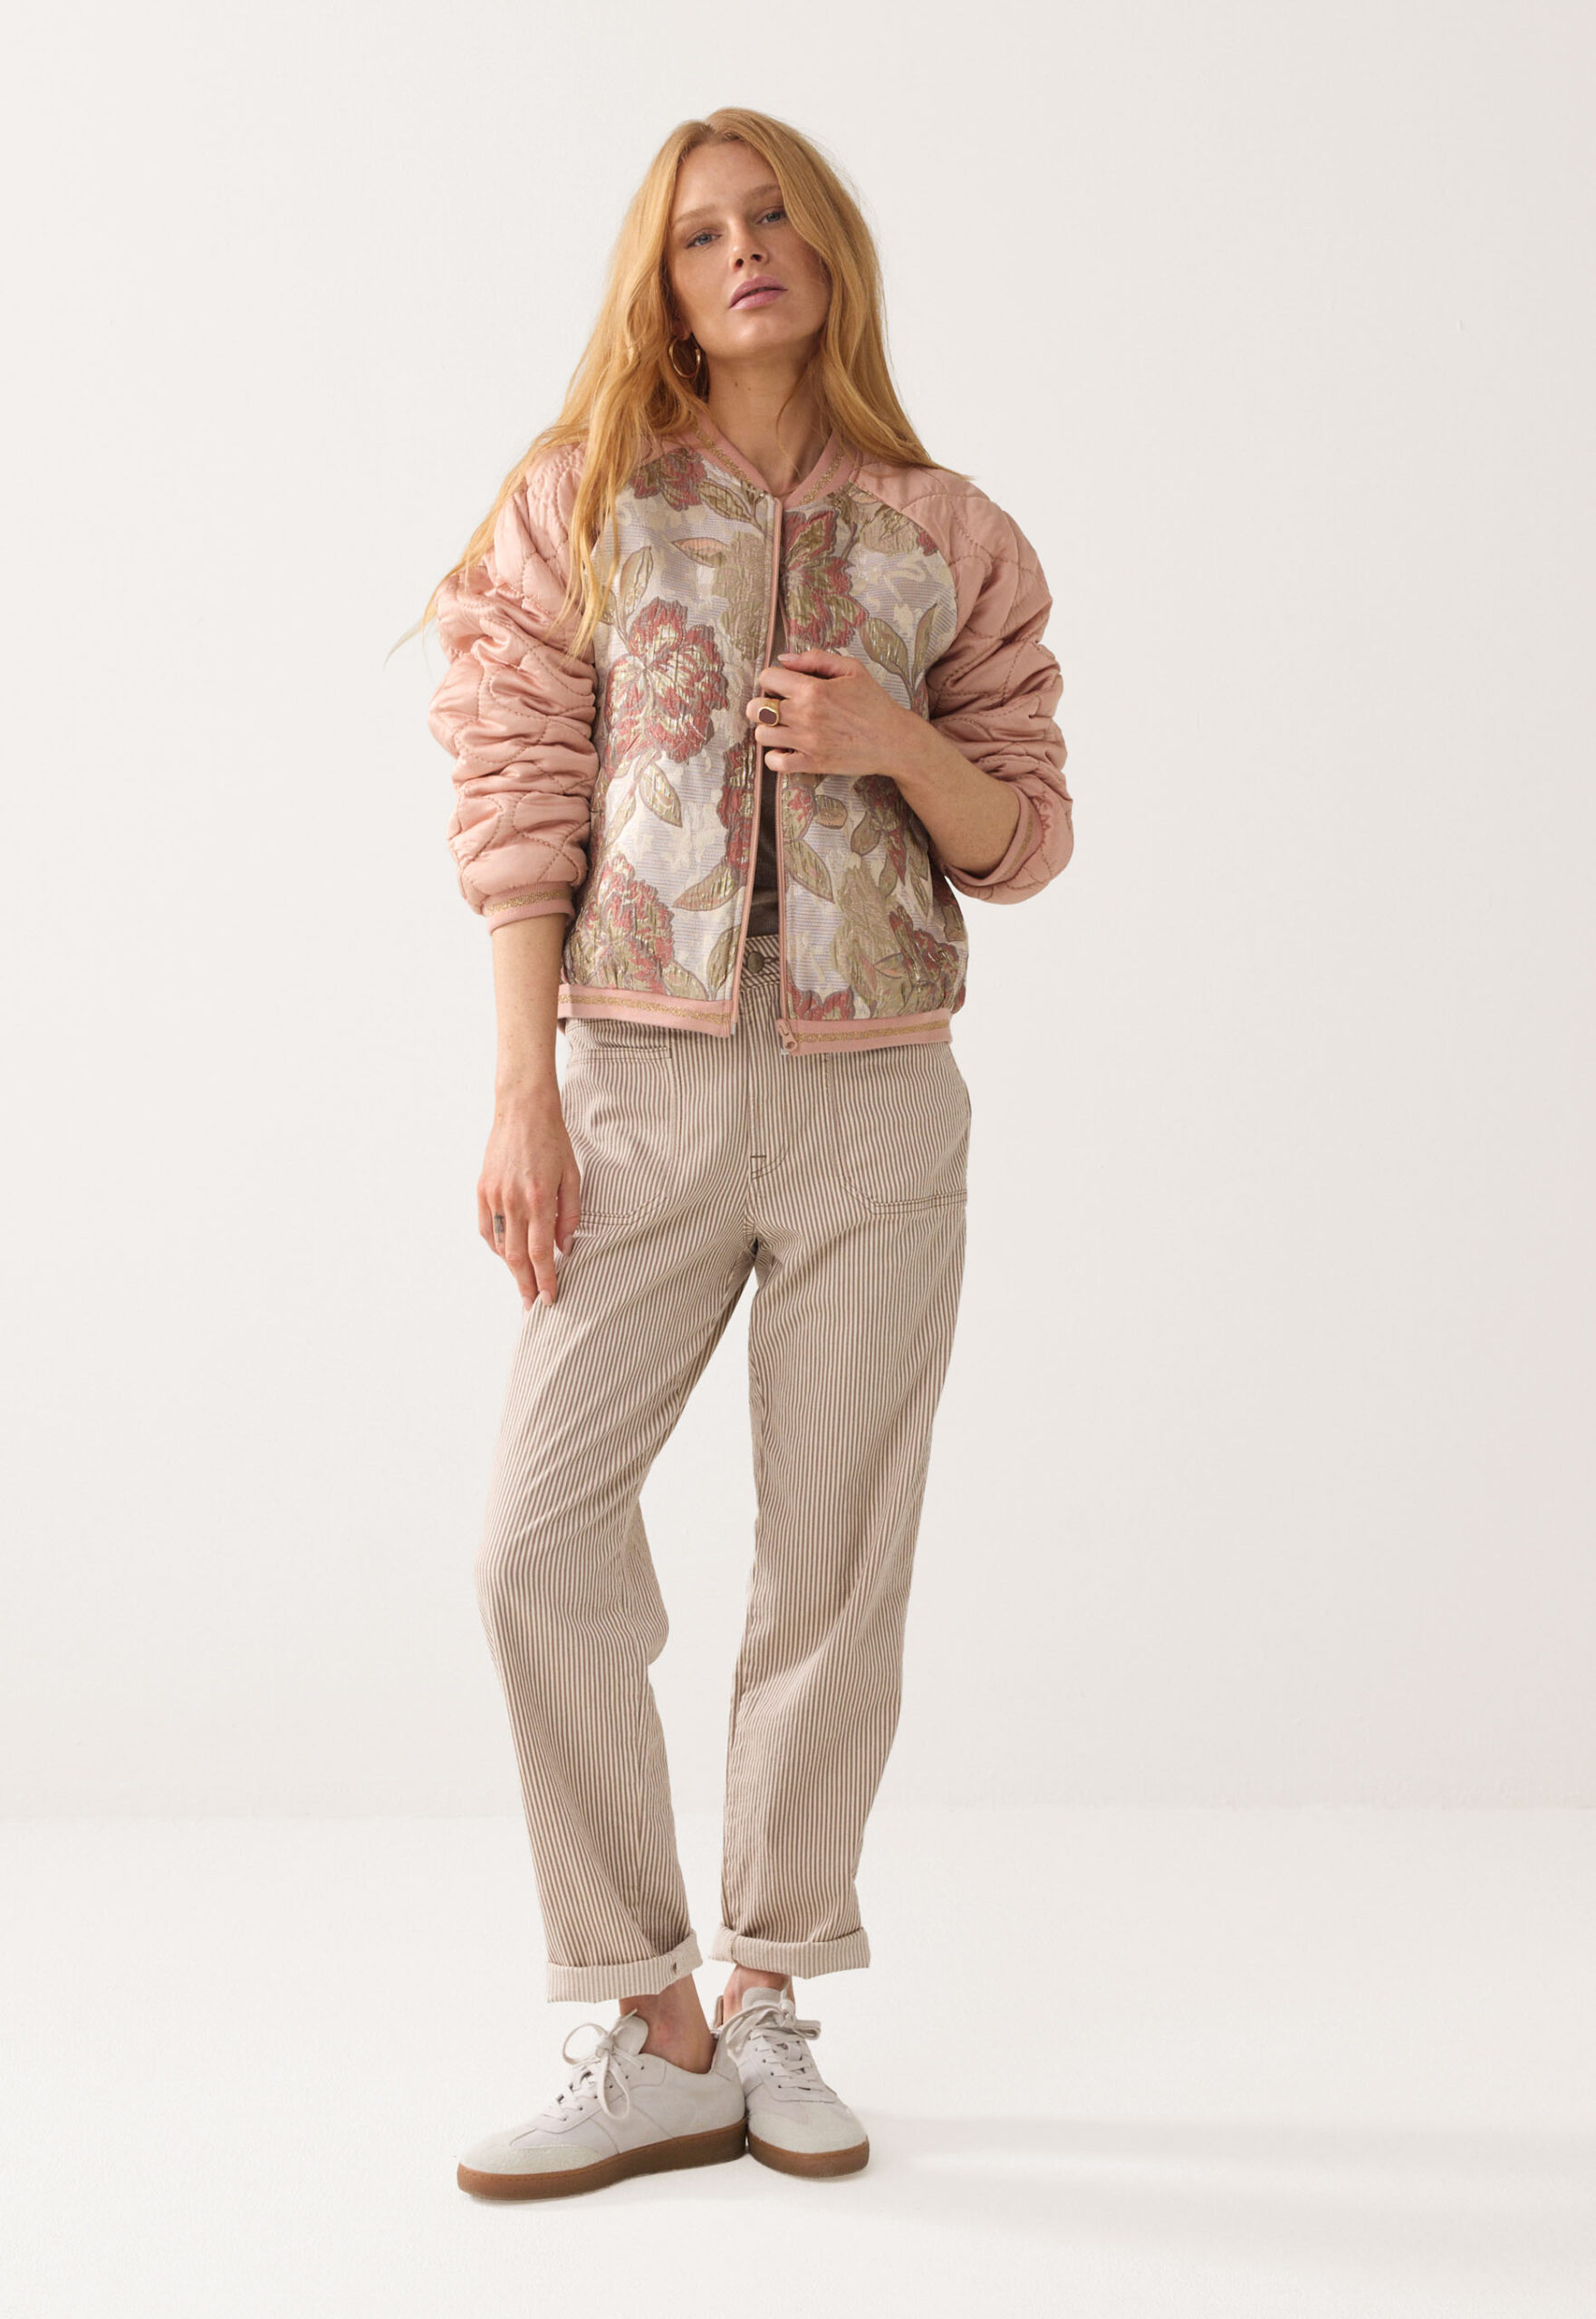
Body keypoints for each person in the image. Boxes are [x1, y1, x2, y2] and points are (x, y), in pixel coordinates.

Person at [421, 106, 1073, 2200]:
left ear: (829, 251)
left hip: (877, 1103)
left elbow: (1024, 832)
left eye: (773, 215)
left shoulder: (943, 530)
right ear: (664, 280)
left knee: (831, 1561)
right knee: (531, 1545)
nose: (743, 251)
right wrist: (520, 1086)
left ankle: (771, 1985)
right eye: (701, 233)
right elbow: (516, 788)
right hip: (635, 1083)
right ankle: (647, 2016)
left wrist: (896, 743)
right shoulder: (586, 502)